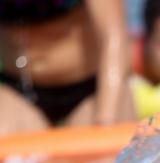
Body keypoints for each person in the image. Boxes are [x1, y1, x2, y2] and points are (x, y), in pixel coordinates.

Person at [0, 0, 135, 135]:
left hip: (89, 90)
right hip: (18, 89)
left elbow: (114, 37)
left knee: (102, 146)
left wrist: (106, 119)